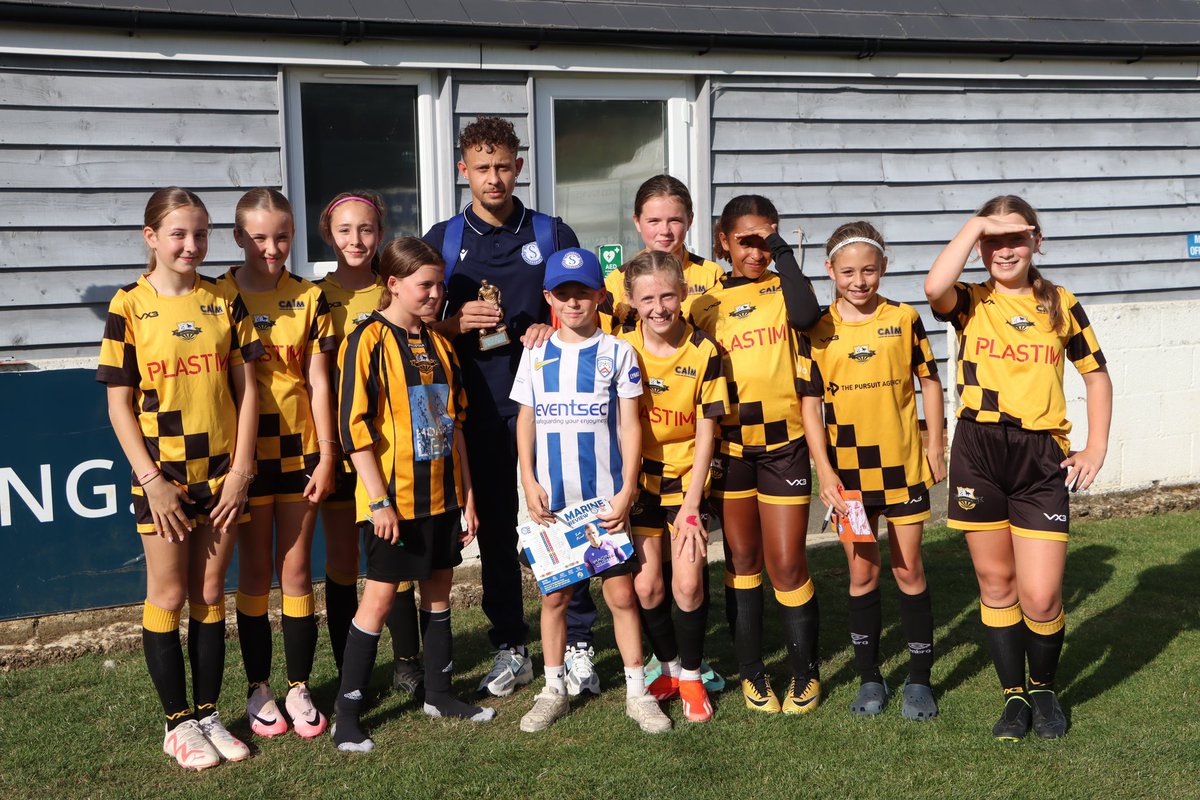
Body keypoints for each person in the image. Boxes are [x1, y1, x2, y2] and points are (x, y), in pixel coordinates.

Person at [925, 195, 1112, 741]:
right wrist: (979, 224)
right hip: (978, 450)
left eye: (1016, 237)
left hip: (1039, 456)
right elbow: (934, 288)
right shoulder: (970, 300)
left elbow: (1096, 376)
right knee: (997, 583)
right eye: (993, 240)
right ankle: (1013, 698)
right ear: (980, 245)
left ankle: (1045, 689)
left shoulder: (1061, 303)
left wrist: (1095, 448)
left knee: (1042, 594)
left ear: (1037, 240)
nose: (1004, 250)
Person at [98, 187, 262, 769]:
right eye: (177, 234)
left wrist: (241, 470)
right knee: (168, 596)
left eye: (200, 234)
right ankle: (177, 724)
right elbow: (119, 405)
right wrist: (150, 479)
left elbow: (248, 394)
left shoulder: (224, 298)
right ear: (151, 238)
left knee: (211, 594)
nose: (190, 245)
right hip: (162, 476)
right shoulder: (128, 305)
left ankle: (209, 714)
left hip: (221, 474)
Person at [424, 116, 579, 699]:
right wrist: (455, 322)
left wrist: (554, 319)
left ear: (519, 167)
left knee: (562, 519)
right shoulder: (443, 237)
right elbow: (418, 328)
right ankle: (511, 645)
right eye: (482, 168)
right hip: (477, 407)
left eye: (504, 167)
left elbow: (586, 301)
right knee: (493, 533)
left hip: (551, 406)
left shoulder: (549, 229)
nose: (495, 178)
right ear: (463, 171)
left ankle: (579, 641)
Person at [333, 237, 492, 753]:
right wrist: (378, 501)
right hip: (393, 504)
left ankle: (439, 695)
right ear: (393, 284)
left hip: (443, 498)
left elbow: (457, 425)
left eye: (440, 285)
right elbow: (352, 428)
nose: (435, 294)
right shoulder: (367, 340)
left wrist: (466, 495)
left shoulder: (441, 345)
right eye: (425, 285)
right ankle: (347, 716)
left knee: (440, 593)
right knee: (378, 600)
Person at [511, 247, 672, 734]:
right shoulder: (536, 351)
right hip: (553, 505)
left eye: (583, 293)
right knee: (554, 599)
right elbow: (526, 419)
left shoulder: (619, 353)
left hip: (603, 505)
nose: (574, 303)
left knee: (621, 595)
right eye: (564, 294)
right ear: (549, 298)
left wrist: (627, 490)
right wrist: (528, 478)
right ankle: (552, 688)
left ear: (600, 296)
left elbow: (629, 427)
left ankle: (637, 692)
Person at [798, 221, 946, 721]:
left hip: (903, 469)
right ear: (829, 271)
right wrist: (824, 471)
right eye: (847, 272)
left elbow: (929, 381)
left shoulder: (904, 319)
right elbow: (810, 406)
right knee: (862, 573)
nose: (858, 281)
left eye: (868, 270)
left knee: (909, 569)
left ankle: (920, 681)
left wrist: (937, 444)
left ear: (883, 267)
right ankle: (869, 678)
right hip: (850, 479)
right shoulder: (817, 330)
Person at [690, 195, 821, 715]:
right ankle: (753, 672)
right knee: (743, 560)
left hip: (785, 443)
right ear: (723, 241)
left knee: (787, 561)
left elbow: (810, 316)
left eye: (766, 240)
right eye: (746, 240)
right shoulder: (705, 304)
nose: (757, 251)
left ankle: (805, 674)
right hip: (732, 447)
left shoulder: (786, 286)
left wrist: (782, 252)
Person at [219, 188, 338, 740]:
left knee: (294, 571)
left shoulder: (310, 298)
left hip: (300, 452)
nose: (272, 248)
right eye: (260, 237)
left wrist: (329, 452)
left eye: (282, 236)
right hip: (241, 458)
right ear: (239, 237)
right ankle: (258, 686)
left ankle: (297, 685)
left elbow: (317, 380)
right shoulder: (216, 297)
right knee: (255, 572)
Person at [314, 191, 424, 697]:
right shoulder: (317, 296)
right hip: (344, 443)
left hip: (393, 446)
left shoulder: (396, 287)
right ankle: (348, 668)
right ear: (328, 235)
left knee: (395, 557)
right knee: (343, 560)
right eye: (345, 231)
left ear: (379, 234)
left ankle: (407, 662)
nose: (356, 240)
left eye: (366, 230)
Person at [619, 250, 730, 722]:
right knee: (646, 588)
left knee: (687, 585)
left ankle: (690, 677)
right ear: (631, 300)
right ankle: (665, 668)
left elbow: (708, 430)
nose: (659, 306)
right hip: (641, 482)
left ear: (684, 293)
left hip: (688, 481)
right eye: (648, 298)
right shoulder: (621, 347)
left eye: (668, 295)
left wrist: (691, 504)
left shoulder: (705, 351)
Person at [602, 174, 724, 324]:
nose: (665, 230)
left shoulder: (712, 275)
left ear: (690, 220)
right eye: (654, 221)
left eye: (674, 220)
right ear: (637, 222)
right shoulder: (616, 281)